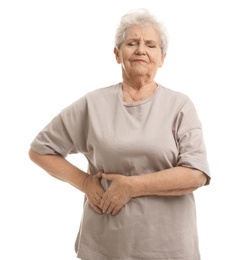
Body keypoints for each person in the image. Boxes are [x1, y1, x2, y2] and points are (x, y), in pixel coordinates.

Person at [29, 8, 211, 260]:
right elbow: (40, 150)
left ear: (162, 58)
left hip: (168, 247)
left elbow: (196, 174)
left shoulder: (180, 105)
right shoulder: (92, 104)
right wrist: (83, 182)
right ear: (117, 54)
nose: (140, 50)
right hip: (104, 246)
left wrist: (131, 186)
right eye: (131, 43)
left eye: (150, 45)